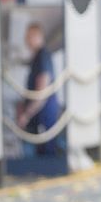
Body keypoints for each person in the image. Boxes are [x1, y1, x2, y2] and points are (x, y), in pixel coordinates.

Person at [16, 22, 63, 156]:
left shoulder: (43, 57)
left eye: (29, 36)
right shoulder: (37, 58)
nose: (26, 40)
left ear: (38, 36)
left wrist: (26, 115)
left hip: (45, 113)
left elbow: (41, 92)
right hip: (41, 114)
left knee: (47, 156)